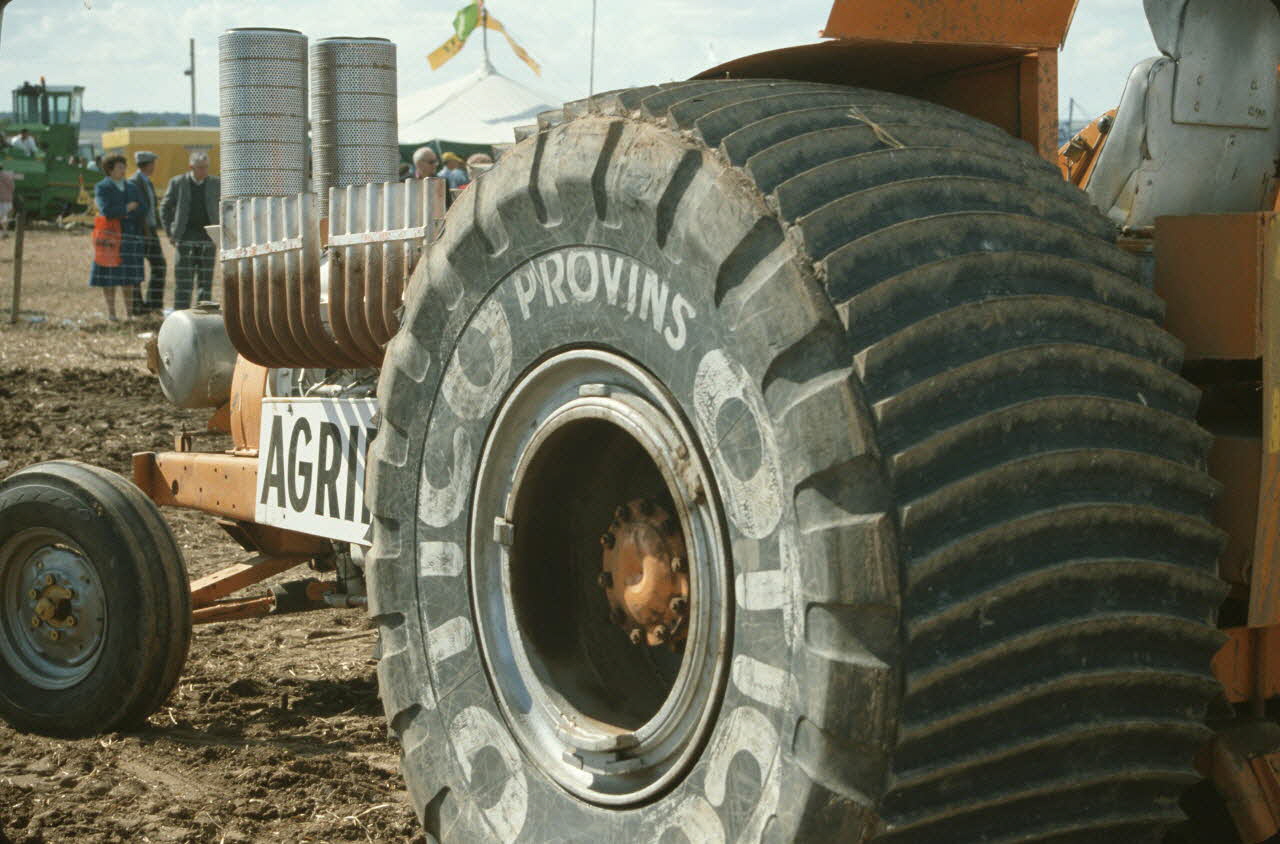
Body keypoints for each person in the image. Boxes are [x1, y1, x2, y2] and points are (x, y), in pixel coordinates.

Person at [161, 151, 220, 310]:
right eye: (200, 167)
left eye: (206, 167)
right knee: (183, 282)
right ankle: (181, 315)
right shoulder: (178, 183)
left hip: (208, 240)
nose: (203, 171)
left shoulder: (216, 183)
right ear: (191, 167)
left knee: (205, 283)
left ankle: (203, 316)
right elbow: (165, 208)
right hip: (185, 239)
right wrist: (171, 232)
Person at [89, 154, 145, 321]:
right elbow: (106, 210)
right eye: (120, 167)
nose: (123, 170)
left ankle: (129, 314)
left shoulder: (132, 187)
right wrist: (127, 208)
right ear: (110, 169)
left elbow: (143, 208)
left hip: (129, 237)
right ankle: (112, 314)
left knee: (129, 278)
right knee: (109, 279)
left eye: (124, 167)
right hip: (110, 238)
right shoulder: (102, 187)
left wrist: (125, 211)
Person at [129, 151, 166, 315]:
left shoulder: (146, 181)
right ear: (147, 164)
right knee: (137, 269)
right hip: (139, 231)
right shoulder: (134, 182)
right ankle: (138, 306)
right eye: (153, 163)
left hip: (150, 230)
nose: (154, 166)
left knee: (159, 265)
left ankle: (153, 304)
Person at [0, 165, 16, 239]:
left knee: (2, 217)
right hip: (8, 199)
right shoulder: (8, 176)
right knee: (5, 217)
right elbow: (12, 188)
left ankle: (3, 232)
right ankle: (5, 232)